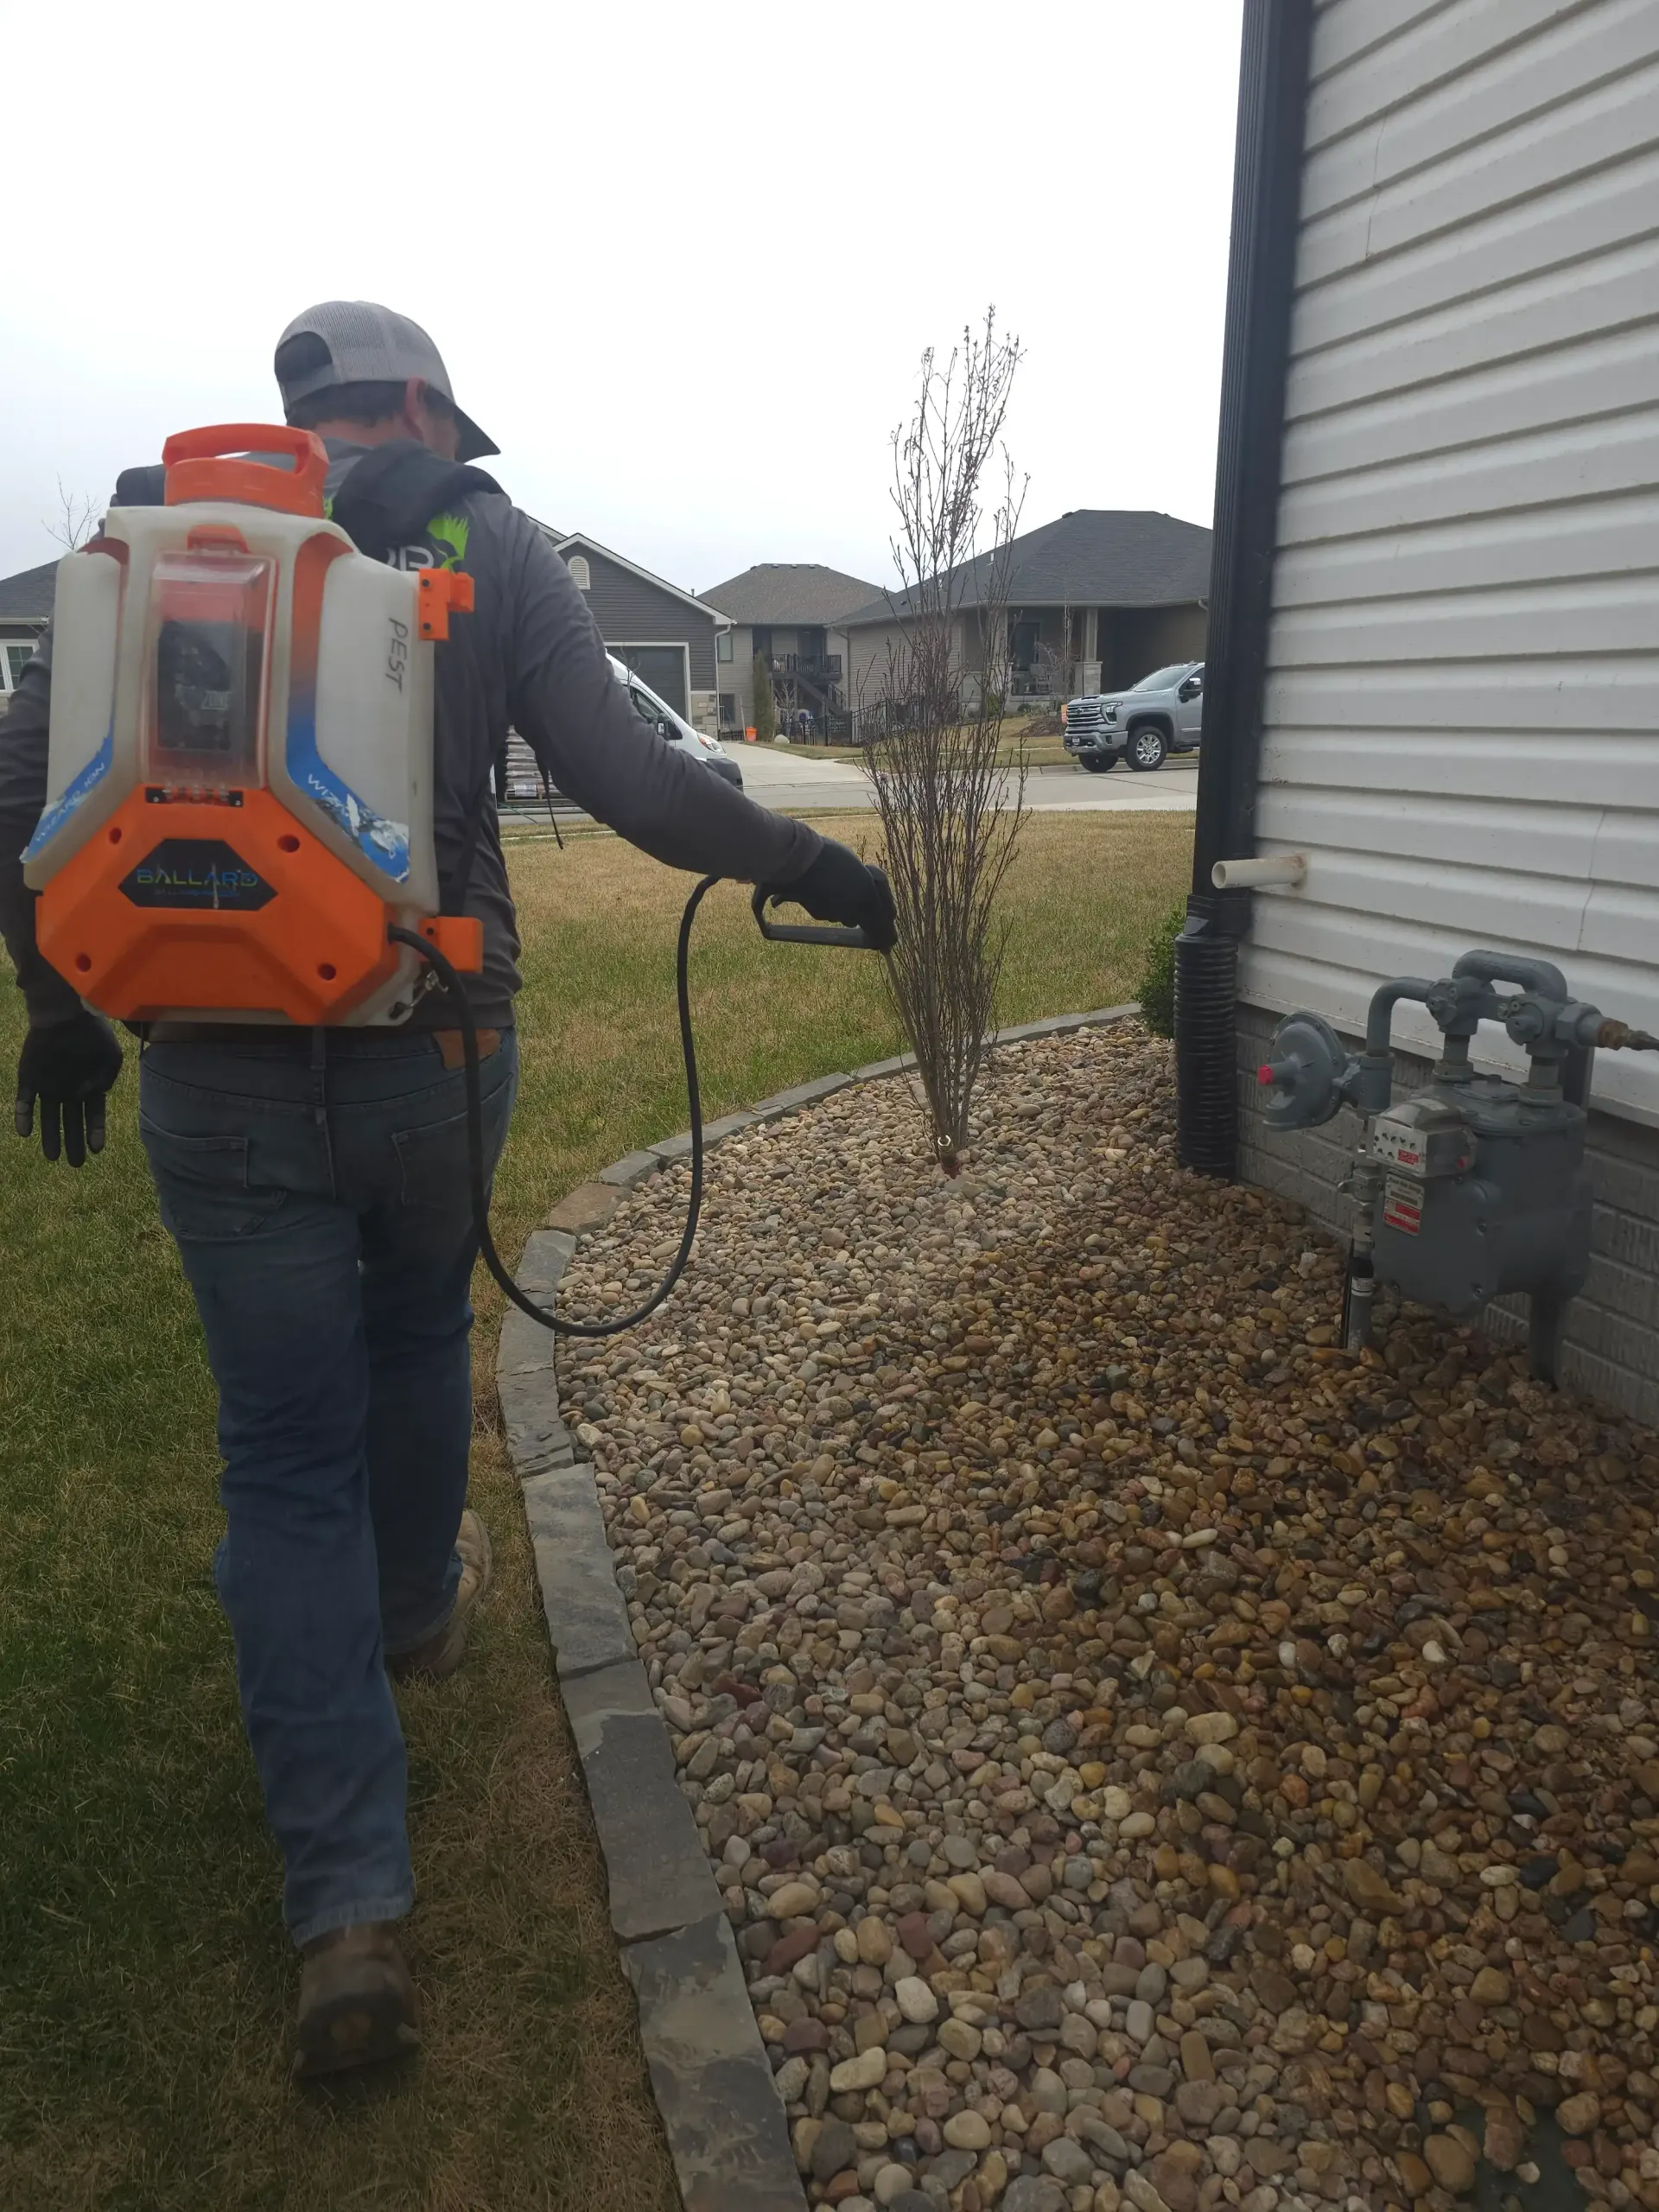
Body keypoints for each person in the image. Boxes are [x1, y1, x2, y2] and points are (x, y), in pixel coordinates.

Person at [0, 300, 895, 2079]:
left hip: (213, 1067)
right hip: (434, 1055)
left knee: (280, 1451)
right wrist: (812, 860)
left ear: (294, 408)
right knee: (416, 1331)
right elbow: (636, 782)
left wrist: (55, 1008)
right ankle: (415, 1605)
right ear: (412, 403)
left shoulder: (152, 536)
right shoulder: (484, 536)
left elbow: (24, 781)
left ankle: (347, 1919)